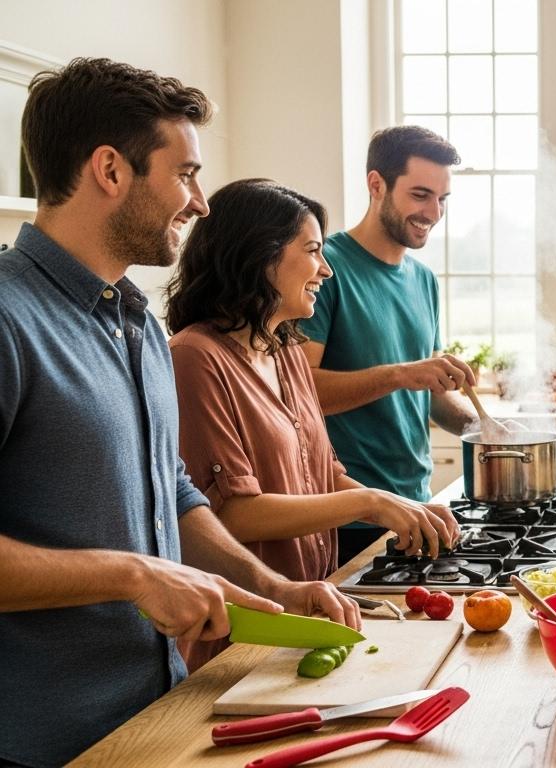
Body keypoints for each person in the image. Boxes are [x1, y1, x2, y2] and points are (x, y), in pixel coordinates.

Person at [0, 58, 357, 768]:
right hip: (41, 743)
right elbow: (142, 561)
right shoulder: (9, 318)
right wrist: (134, 575)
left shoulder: (136, 321)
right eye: (185, 174)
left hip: (163, 711)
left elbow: (175, 492)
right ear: (110, 170)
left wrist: (272, 586)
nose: (199, 203)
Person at [164, 179, 460, 671]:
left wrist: (398, 506)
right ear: (260, 256)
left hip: (310, 609)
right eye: (312, 251)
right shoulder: (194, 358)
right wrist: (371, 501)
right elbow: (232, 514)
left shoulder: (285, 352)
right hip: (245, 631)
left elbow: (324, 472)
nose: (325, 269)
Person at [298, 126, 480, 565]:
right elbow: (302, 396)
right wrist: (402, 374)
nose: (433, 212)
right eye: (420, 195)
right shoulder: (324, 268)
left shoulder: (423, 280)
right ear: (376, 184)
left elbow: (431, 396)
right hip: (347, 517)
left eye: (442, 199)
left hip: (416, 507)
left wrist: (487, 431)